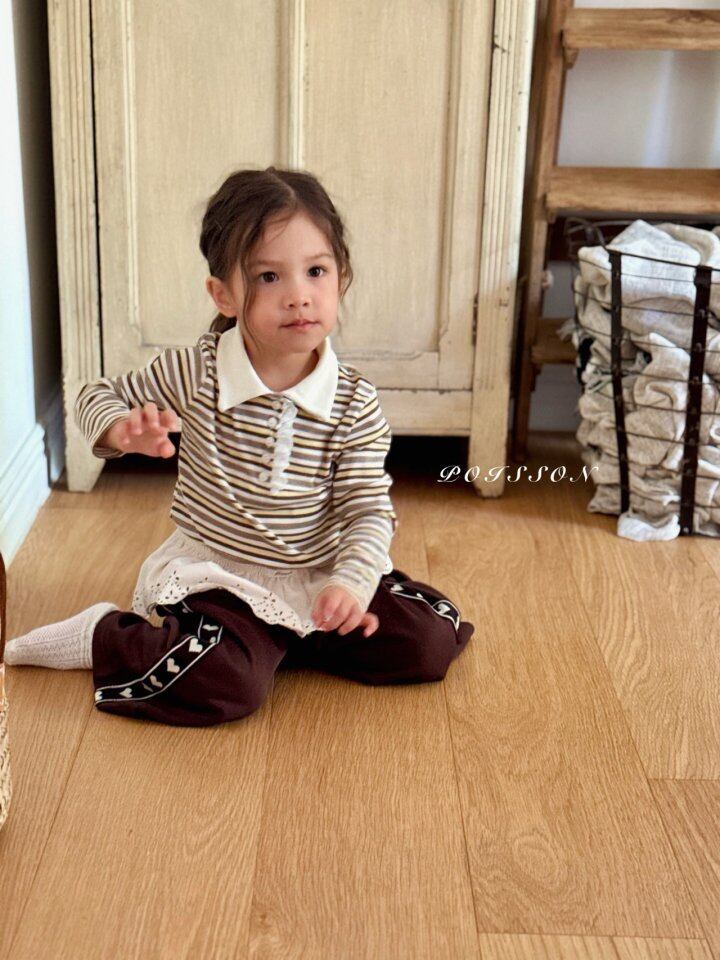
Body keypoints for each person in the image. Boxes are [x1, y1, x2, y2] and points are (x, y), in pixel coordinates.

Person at [5, 166, 475, 727]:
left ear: (341, 279)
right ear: (224, 294)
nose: (298, 296)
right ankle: (107, 635)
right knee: (225, 684)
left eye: (316, 271)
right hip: (222, 577)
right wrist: (118, 429)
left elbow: (368, 511)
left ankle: (279, 639)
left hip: (318, 571)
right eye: (269, 277)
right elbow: (95, 394)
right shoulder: (198, 371)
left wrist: (349, 585)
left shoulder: (355, 402)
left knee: (429, 640)